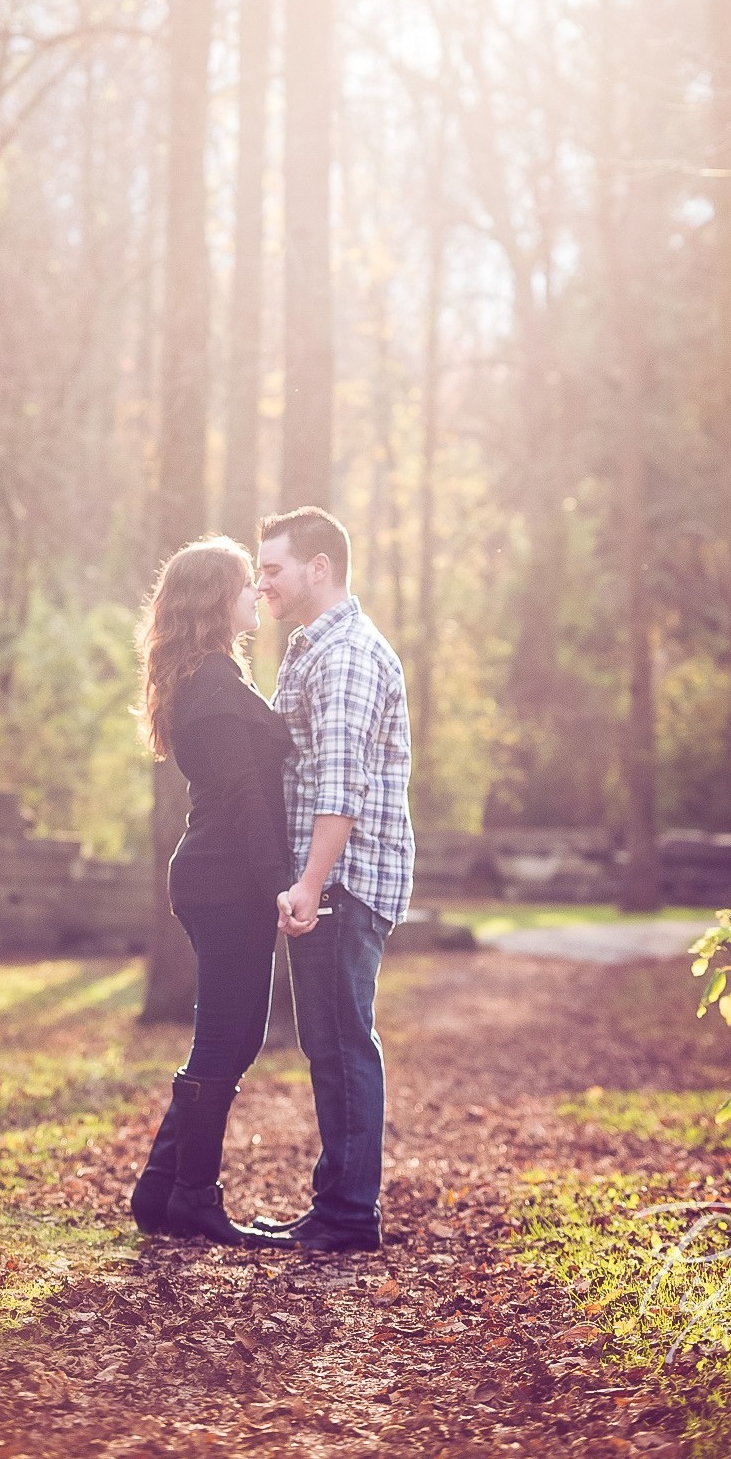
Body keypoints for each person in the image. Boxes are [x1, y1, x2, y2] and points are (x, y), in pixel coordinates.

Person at [253, 507, 415, 1253]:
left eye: (273, 568)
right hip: (332, 882)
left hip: (342, 883)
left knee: (343, 1044)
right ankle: (338, 1208)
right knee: (331, 1044)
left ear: (319, 567)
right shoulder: (315, 648)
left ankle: (349, 1216)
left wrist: (311, 885)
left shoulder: (346, 653)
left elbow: (339, 784)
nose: (263, 583)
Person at [129, 536, 297, 1249]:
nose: (255, 592)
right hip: (226, 882)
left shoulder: (211, 678)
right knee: (227, 1039)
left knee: (227, 1039)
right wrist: (282, 883)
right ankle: (190, 1195)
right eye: (242, 584)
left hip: (220, 879)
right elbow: (245, 798)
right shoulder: (215, 691)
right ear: (213, 602)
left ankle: (162, 1190)